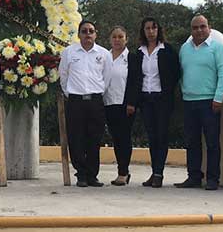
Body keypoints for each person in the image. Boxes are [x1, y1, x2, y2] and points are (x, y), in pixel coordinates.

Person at [124, 18, 180, 188]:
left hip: (162, 99)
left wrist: (167, 91)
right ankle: (154, 172)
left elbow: (176, 73)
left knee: (162, 136)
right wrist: (131, 102)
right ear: (143, 31)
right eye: (147, 28)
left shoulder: (167, 50)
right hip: (145, 100)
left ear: (158, 30)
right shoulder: (138, 52)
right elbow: (133, 79)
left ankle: (158, 173)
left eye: (153, 28)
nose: (150, 31)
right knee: (152, 137)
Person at [176, 15, 223, 190]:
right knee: (192, 142)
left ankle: (213, 178)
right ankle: (194, 177)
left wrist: (218, 97)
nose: (199, 30)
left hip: (210, 102)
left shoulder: (218, 48)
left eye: (202, 27)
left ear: (209, 27)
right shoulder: (184, 48)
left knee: (212, 142)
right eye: (195, 27)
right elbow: (182, 73)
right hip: (189, 102)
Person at [60, 20, 113, 187]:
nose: (88, 34)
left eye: (91, 31)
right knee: (76, 139)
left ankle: (92, 175)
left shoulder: (104, 54)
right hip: (75, 101)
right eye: (84, 31)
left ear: (96, 34)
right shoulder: (69, 52)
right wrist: (71, 93)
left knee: (94, 139)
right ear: (79, 34)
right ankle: (81, 174)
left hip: (95, 101)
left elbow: (107, 78)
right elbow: (63, 76)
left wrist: (97, 93)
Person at [103, 26, 135, 186]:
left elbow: (134, 82)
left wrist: (131, 102)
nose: (117, 40)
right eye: (114, 37)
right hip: (107, 102)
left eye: (120, 37)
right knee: (115, 138)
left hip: (125, 104)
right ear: (110, 39)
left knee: (124, 138)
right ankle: (120, 171)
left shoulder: (131, 58)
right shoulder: (104, 56)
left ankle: (124, 172)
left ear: (126, 39)